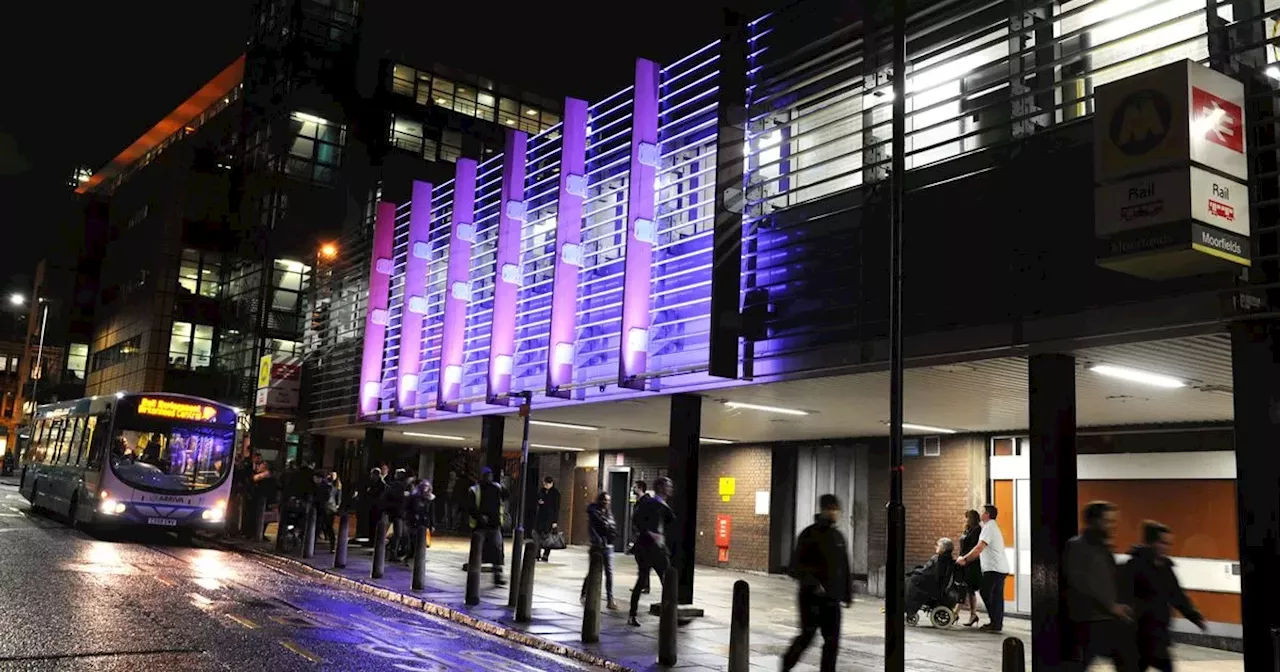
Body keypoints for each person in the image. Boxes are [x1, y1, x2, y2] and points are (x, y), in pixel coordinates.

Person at [1121, 521, 1206, 671]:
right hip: (1137, 636)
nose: (1166, 547)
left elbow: (1177, 596)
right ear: (1150, 543)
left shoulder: (1166, 568)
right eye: (1162, 543)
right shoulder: (1134, 566)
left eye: (1169, 544)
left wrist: (1194, 616)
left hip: (1158, 634)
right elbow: (1124, 597)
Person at [782, 493, 852, 672]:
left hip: (832, 599)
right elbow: (794, 567)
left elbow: (844, 567)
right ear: (824, 510)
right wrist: (814, 584)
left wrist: (847, 593)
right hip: (810, 597)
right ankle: (786, 663)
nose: (835, 513)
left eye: (837, 509)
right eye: (832, 509)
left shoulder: (838, 537)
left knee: (832, 642)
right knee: (808, 635)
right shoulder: (809, 534)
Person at [1065, 501, 1136, 671]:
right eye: (1108, 521)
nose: (1113, 526)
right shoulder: (1078, 547)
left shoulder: (1102, 547)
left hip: (1105, 619)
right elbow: (1081, 583)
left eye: (1114, 521)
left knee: (1128, 661)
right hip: (1088, 620)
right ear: (1094, 521)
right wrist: (1110, 605)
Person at [627, 476, 675, 626]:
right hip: (647, 549)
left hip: (660, 550)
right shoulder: (650, 503)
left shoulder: (664, 506)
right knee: (641, 581)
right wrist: (650, 533)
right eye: (668, 485)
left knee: (667, 581)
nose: (671, 488)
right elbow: (637, 521)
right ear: (660, 487)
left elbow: (670, 523)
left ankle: (669, 615)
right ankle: (632, 614)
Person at [956, 504, 1011, 632]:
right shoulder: (990, 527)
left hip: (994, 568)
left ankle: (995, 622)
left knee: (986, 592)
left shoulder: (989, 528)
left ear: (987, 514)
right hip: (998, 568)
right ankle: (996, 623)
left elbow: (979, 547)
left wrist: (965, 559)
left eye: (982, 511)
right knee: (996, 597)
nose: (980, 513)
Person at [468, 467, 509, 586]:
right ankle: (474, 577)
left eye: (490, 475)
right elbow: (470, 507)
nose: (489, 477)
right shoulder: (475, 489)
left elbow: (507, 495)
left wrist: (503, 483)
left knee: (497, 550)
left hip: (494, 525)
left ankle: (497, 576)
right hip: (480, 526)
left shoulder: (497, 487)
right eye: (486, 475)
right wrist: (480, 516)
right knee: (478, 551)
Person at [580, 491, 619, 610]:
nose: (607, 503)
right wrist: (597, 540)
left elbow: (612, 526)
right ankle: (585, 593)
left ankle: (610, 599)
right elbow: (592, 529)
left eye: (608, 501)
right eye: (605, 500)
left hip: (608, 546)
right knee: (593, 571)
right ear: (600, 500)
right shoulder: (594, 513)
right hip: (597, 546)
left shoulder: (608, 512)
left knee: (609, 573)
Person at [905, 537, 957, 618]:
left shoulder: (940, 559)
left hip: (932, 588)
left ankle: (910, 609)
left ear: (943, 549)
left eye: (938, 545)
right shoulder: (947, 560)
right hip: (936, 586)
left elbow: (928, 573)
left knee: (911, 581)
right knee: (911, 578)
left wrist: (915, 572)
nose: (935, 547)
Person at [958, 509, 983, 627]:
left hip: (971, 564)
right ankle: (971, 614)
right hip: (964, 561)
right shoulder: (968, 529)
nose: (966, 519)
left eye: (968, 517)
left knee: (968, 588)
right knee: (966, 588)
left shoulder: (977, 530)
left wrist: (965, 559)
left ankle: (959, 613)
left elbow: (974, 547)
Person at [404, 479, 436, 565]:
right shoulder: (414, 497)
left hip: (424, 523)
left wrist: (432, 524)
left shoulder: (430, 499)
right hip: (414, 522)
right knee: (413, 541)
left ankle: (419, 556)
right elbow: (409, 509)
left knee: (422, 541)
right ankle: (410, 556)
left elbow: (431, 513)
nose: (426, 490)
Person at [629, 480, 652, 593]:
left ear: (640, 488)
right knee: (641, 561)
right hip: (639, 536)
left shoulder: (646, 502)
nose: (633, 489)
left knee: (643, 561)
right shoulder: (639, 502)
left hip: (644, 537)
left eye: (635, 487)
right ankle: (643, 585)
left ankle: (643, 585)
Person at [383, 469, 410, 560]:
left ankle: (394, 550)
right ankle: (392, 553)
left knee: (402, 533)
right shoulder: (396, 487)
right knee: (398, 533)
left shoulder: (405, 486)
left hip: (401, 513)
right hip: (398, 514)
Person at [535, 476, 561, 562]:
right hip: (541, 517)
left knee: (547, 537)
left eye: (547, 484)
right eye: (544, 483)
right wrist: (539, 501)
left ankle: (546, 555)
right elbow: (537, 498)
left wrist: (555, 521)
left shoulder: (555, 493)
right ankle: (537, 554)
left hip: (549, 518)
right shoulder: (542, 491)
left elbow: (556, 508)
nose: (545, 485)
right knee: (538, 536)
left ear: (551, 484)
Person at [362, 468, 387, 546]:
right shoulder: (372, 483)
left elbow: (380, 496)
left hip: (377, 508)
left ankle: (375, 541)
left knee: (376, 525)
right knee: (371, 525)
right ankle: (371, 540)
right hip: (372, 507)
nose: (371, 476)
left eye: (372, 474)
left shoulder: (382, 484)